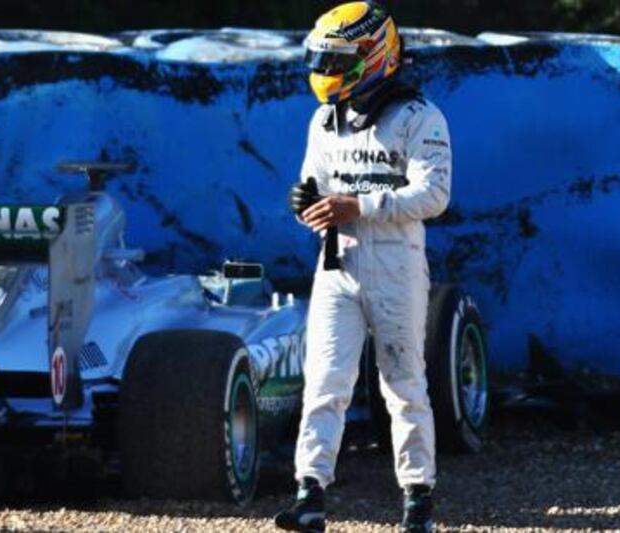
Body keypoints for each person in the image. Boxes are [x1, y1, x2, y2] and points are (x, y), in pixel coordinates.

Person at [274, 2, 452, 532]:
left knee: (402, 381)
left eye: (336, 59)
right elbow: (316, 183)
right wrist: (305, 201)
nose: (325, 70)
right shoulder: (323, 120)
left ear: (372, 55)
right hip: (336, 263)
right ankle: (310, 495)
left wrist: (360, 205)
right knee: (324, 382)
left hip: (396, 265)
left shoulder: (420, 117)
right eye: (322, 58)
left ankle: (417, 500)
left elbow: (436, 194)